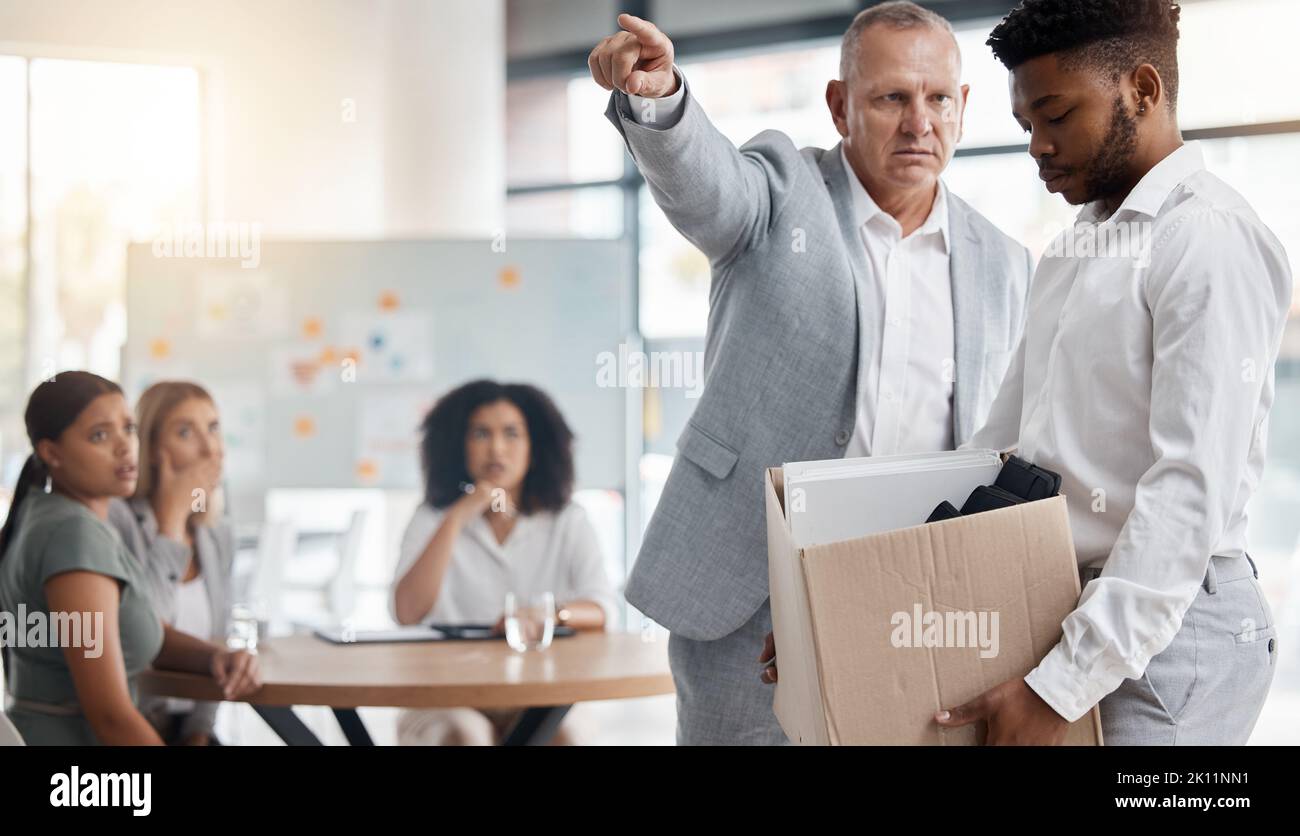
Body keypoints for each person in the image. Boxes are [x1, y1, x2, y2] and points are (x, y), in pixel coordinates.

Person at [588, 3, 1034, 744]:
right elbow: (707, 186)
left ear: (963, 108)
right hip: (752, 594)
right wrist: (658, 97)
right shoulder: (782, 191)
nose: (919, 122)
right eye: (891, 97)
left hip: (915, 604)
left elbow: (1003, 438)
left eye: (938, 98)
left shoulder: (1003, 263)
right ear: (839, 106)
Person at [932, 0, 1291, 744]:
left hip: (1171, 631)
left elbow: (1188, 493)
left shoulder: (1208, 238)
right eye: (1027, 126)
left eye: (1057, 115)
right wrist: (847, 602)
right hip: (1073, 608)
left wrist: (1061, 687)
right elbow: (998, 453)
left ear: (1144, 89)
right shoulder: (1074, 250)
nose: (1038, 146)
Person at [0, 372, 259, 745]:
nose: (124, 447)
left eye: (129, 429)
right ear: (51, 452)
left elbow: (124, 629)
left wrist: (212, 657)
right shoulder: (73, 536)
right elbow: (111, 717)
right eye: (100, 435)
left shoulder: (61, 518)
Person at [390, 380, 618, 745]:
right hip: (447, 696)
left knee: (566, 735)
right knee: (463, 736)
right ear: (459, 444)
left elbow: (602, 609)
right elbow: (406, 612)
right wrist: (457, 518)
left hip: (543, 694)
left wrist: (549, 615)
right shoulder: (431, 518)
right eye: (481, 433)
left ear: (535, 446)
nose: (496, 448)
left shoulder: (567, 519)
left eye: (512, 434)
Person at [107, 381, 234, 746]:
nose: (209, 449)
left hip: (192, 730)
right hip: (136, 727)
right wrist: (171, 523)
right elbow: (145, 636)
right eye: (185, 432)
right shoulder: (119, 522)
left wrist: (198, 733)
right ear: (150, 449)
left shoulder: (216, 534)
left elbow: (218, 640)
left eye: (213, 428)